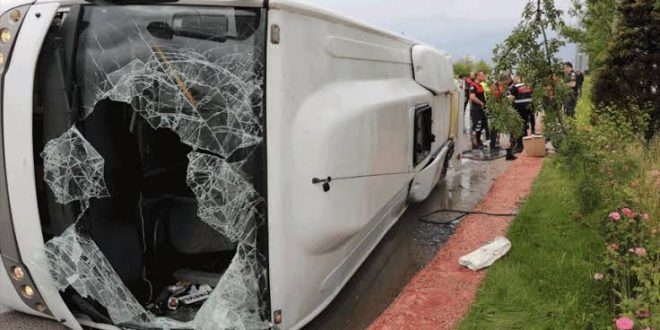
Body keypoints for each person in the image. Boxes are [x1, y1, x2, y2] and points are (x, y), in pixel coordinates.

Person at [509, 75, 534, 153]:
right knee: (524, 126)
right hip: (528, 108)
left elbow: (511, 99)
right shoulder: (529, 85)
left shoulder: (515, 87)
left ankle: (519, 147)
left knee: (518, 127)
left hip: (519, 109)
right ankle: (526, 144)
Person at [469, 72, 487, 149]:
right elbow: (472, 97)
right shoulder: (473, 85)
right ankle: (475, 144)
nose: (484, 77)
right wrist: (481, 103)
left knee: (481, 126)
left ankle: (479, 142)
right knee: (476, 126)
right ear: (478, 76)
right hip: (476, 109)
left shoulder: (480, 85)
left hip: (481, 109)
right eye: (482, 75)